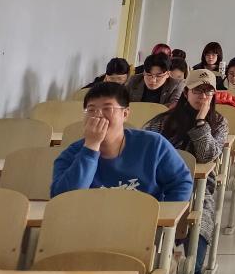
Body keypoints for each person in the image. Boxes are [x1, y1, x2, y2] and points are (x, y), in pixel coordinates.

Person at [144, 69, 227, 274]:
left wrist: (201, 122)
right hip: (158, 189)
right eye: (197, 91)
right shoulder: (162, 121)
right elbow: (145, 153)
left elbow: (207, 155)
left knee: (193, 263)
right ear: (186, 92)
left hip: (198, 194)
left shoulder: (218, 123)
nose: (203, 97)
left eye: (208, 92)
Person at [51, 82, 193, 201]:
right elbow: (63, 200)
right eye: (91, 110)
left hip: (142, 223)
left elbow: (181, 183)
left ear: (125, 114)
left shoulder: (153, 144)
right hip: (91, 223)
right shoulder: (71, 154)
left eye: (107, 108)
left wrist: (161, 218)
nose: (98, 115)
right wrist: (91, 147)